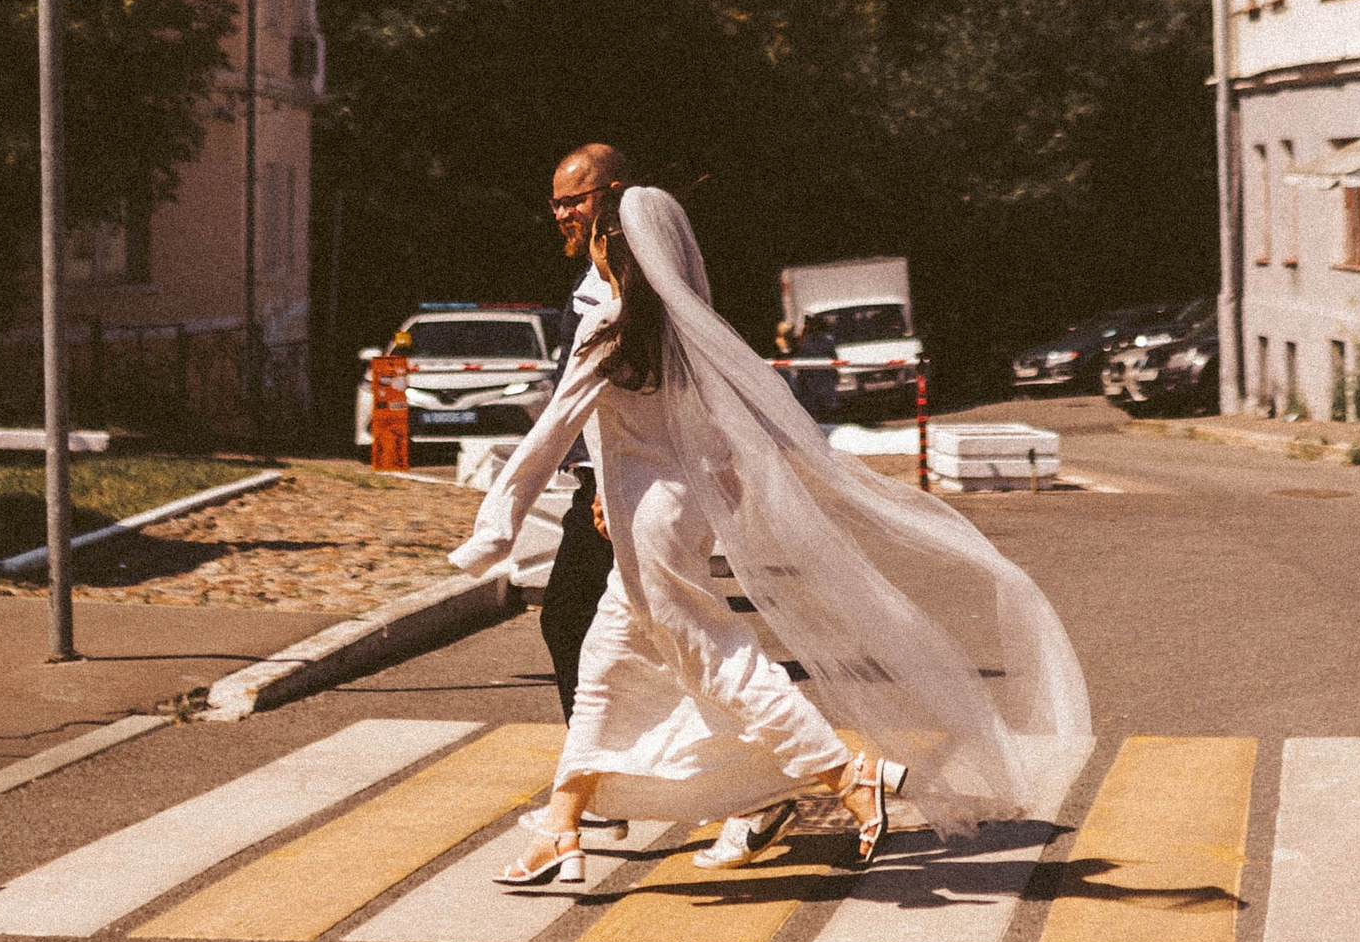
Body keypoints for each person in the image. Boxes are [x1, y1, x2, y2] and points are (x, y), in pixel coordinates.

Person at [452, 182, 1089, 893]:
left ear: (613, 250)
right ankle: (559, 833)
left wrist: (493, 530)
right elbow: (715, 428)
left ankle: (852, 779)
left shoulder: (610, 325)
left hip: (648, 519)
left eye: (596, 234)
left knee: (717, 660)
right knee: (602, 664)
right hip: (674, 508)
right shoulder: (678, 325)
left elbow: (550, 436)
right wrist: (713, 483)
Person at [529, 143, 624, 711]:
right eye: (555, 204)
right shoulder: (601, 268)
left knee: (569, 619)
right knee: (580, 625)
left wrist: (606, 485)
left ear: (611, 195)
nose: (563, 214)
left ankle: (838, 771)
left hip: (621, 486)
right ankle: (595, 773)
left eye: (574, 201)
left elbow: (626, 389)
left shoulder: (628, 274)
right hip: (606, 484)